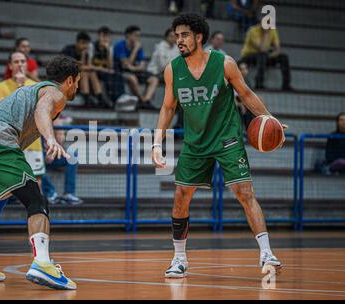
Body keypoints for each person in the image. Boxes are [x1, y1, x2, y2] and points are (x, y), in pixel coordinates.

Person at [152, 13, 285, 278]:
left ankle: (266, 253)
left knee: (244, 191)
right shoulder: (172, 69)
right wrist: (157, 143)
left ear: (199, 37)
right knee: (181, 197)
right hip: (195, 142)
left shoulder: (224, 63)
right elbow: (168, 107)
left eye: (185, 35)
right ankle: (179, 259)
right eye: (177, 36)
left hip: (227, 138)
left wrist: (270, 119)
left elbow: (246, 94)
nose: (179, 40)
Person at [0, 55, 80, 290]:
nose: (77, 87)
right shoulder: (55, 93)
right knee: (36, 199)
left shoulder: (32, 88)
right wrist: (51, 139)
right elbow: (42, 111)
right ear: (69, 81)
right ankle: (42, 264)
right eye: (78, 82)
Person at [0, 51, 45, 186]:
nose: (20, 64)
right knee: (9, 184)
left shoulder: (36, 86)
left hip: (32, 142)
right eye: (16, 62)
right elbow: (2, 114)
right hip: (10, 143)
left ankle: (39, 208)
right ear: (10, 66)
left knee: (35, 181)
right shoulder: (1, 87)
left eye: (23, 61)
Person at [113, 25, 159, 109]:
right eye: (136, 35)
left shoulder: (139, 47)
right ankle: (142, 100)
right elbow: (125, 65)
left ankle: (146, 100)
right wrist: (135, 50)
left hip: (134, 70)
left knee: (154, 79)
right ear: (128, 35)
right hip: (120, 72)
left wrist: (133, 68)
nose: (138, 38)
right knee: (132, 78)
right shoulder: (120, 45)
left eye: (139, 36)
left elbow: (143, 65)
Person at [62, 31, 111, 108]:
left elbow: (88, 66)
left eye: (86, 43)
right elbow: (78, 67)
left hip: (79, 78)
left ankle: (99, 97)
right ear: (77, 43)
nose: (85, 46)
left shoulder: (86, 52)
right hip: (66, 77)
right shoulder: (69, 50)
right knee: (84, 72)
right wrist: (100, 69)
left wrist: (84, 55)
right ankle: (87, 98)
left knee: (92, 72)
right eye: (83, 43)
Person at [239, 23, 292, 91]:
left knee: (284, 57)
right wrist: (266, 33)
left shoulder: (273, 30)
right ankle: (259, 83)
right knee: (262, 56)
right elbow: (262, 48)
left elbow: (277, 49)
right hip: (249, 56)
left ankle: (286, 85)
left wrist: (271, 55)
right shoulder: (253, 30)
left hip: (265, 56)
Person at [42, 115, 82, 205]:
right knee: (34, 163)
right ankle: (51, 193)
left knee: (73, 157)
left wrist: (58, 126)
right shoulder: (33, 121)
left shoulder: (54, 120)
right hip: (37, 156)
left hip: (53, 156)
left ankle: (69, 193)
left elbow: (60, 143)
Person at [88, 26, 124, 108]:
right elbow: (89, 65)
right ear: (98, 36)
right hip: (95, 70)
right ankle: (101, 99)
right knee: (93, 73)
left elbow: (110, 66)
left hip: (104, 71)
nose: (105, 39)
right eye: (103, 36)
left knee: (116, 74)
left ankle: (117, 100)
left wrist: (107, 50)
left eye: (107, 36)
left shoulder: (110, 48)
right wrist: (103, 69)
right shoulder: (92, 46)